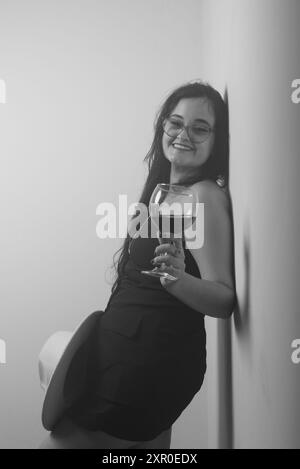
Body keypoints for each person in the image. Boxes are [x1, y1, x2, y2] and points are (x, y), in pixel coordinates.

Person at [38, 80, 236, 449]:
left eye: (199, 128)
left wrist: (177, 281)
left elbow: (224, 299)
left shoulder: (203, 195)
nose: (183, 135)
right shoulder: (165, 192)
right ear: (163, 127)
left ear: (216, 140)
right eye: (175, 123)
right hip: (133, 365)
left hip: (139, 373)